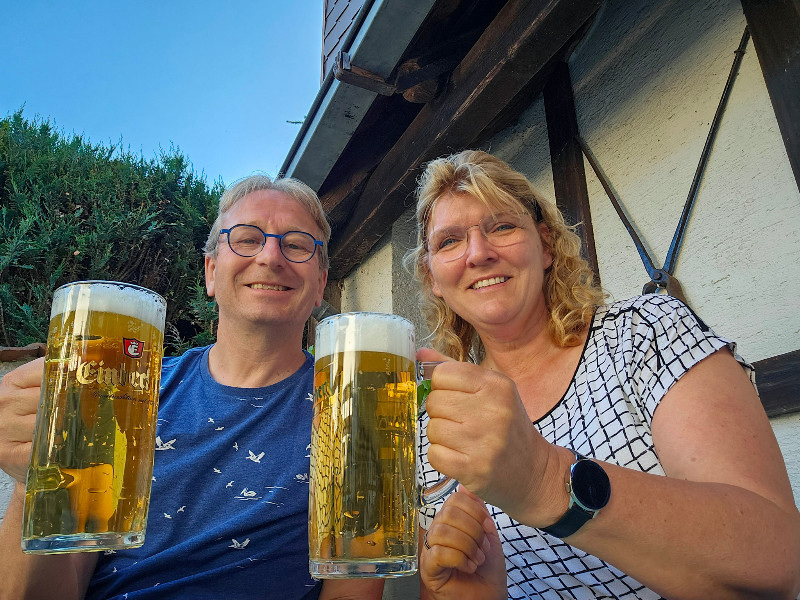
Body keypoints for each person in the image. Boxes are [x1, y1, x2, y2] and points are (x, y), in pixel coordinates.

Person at [406, 150, 800, 599]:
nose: (479, 253)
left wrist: (546, 479)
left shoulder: (644, 334)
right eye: (449, 242)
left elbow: (778, 561)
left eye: (502, 227)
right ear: (432, 276)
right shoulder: (431, 422)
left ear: (546, 244)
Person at [0, 175, 384, 600]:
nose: (270, 256)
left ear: (320, 284)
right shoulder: (127, 395)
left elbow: (352, 590)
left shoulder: (354, 411)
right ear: (211, 272)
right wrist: (33, 484)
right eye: (247, 238)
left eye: (296, 245)